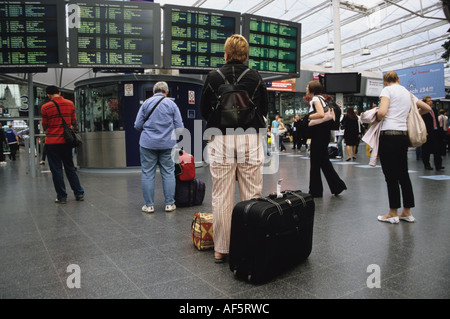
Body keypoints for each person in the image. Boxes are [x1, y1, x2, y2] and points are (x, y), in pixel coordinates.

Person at [200, 34, 268, 263]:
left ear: (226, 54)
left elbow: (203, 109)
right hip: (250, 137)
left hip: (220, 137)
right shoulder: (255, 76)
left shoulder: (213, 76)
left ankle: (222, 249)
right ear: (246, 55)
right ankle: (250, 247)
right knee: (252, 194)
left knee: (221, 195)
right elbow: (265, 109)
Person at [376, 71, 431, 223]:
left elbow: (382, 113)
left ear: (385, 81)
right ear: (398, 79)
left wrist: (376, 115)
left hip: (388, 135)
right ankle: (407, 211)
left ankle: (392, 213)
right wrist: (411, 115)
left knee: (390, 175)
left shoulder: (387, 90)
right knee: (403, 174)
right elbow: (427, 108)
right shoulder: (407, 93)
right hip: (402, 136)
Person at [134, 81, 184, 214]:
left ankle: (149, 206)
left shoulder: (146, 103)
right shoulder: (172, 104)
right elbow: (179, 127)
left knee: (147, 173)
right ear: (166, 92)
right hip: (167, 144)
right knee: (168, 172)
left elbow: (137, 125)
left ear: (154, 91)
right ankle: (169, 204)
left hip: (147, 144)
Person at [41, 86, 84, 203]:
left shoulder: (45, 107)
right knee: (70, 167)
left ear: (48, 95)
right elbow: (73, 122)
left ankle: (62, 196)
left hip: (52, 142)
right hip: (66, 141)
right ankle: (79, 193)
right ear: (59, 92)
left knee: (57, 170)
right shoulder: (70, 104)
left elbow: (45, 125)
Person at [306, 81, 346, 198]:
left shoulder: (315, 99)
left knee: (315, 162)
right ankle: (337, 186)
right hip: (324, 133)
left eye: (308, 87)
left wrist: (308, 116)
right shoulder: (322, 99)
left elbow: (320, 114)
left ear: (312, 88)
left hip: (318, 133)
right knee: (324, 161)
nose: (306, 88)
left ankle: (315, 191)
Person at [421, 96, 444, 170]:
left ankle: (438, 165)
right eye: (428, 101)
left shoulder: (434, 110)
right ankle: (427, 164)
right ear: (424, 103)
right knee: (426, 149)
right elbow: (422, 122)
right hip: (427, 132)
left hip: (436, 131)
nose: (431, 102)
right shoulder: (422, 111)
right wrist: (424, 131)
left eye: (431, 101)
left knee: (437, 149)